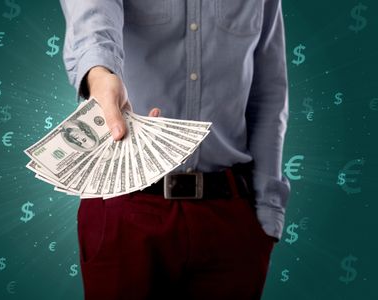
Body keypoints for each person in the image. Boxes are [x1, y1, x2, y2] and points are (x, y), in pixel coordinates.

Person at [59, 0, 291, 299]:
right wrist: (101, 74)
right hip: (123, 206)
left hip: (230, 216)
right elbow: (92, 23)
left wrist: (267, 213)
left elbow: (269, 90)